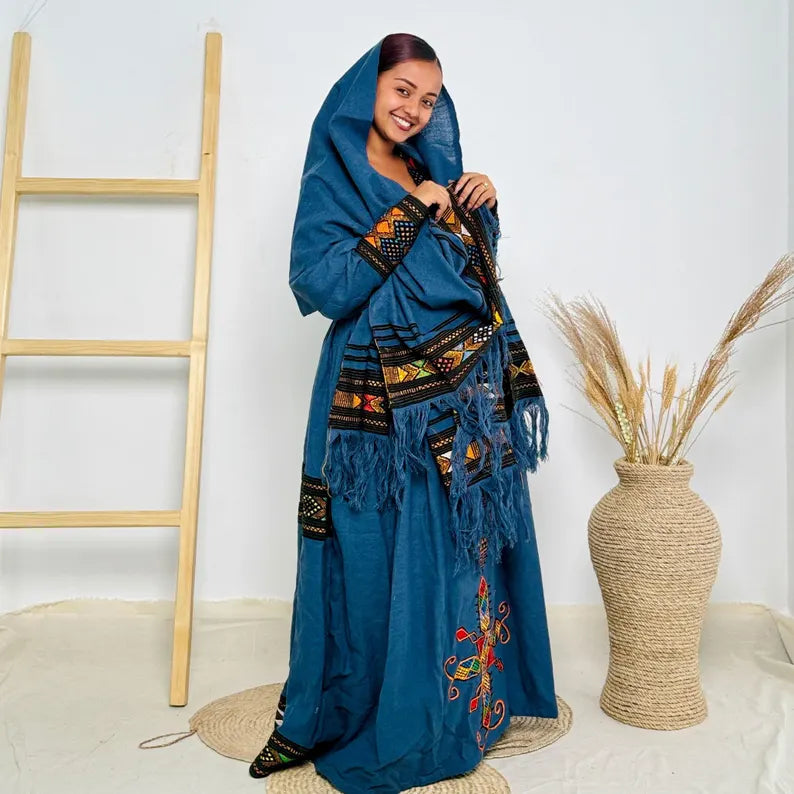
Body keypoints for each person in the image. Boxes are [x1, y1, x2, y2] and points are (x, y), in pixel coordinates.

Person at [249, 33, 558, 794]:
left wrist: (474, 205)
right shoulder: (336, 172)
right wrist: (409, 214)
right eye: (403, 92)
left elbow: (458, 274)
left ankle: (455, 710)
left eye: (429, 100)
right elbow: (324, 284)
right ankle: (332, 714)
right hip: (372, 404)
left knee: (448, 544)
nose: (414, 111)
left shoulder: (430, 170)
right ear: (368, 87)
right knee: (362, 544)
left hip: (453, 396)